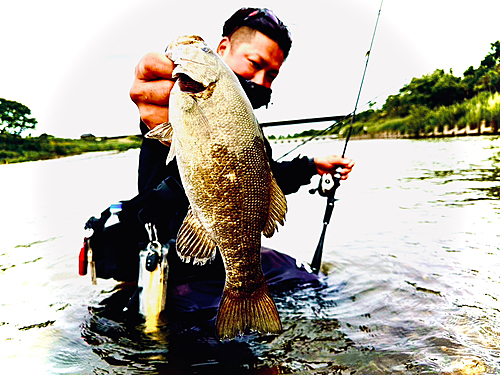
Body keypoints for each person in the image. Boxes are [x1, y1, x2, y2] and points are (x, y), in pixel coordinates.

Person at [126, 7, 355, 315]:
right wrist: (159, 107)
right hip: (180, 262)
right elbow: (154, 117)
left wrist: (313, 165)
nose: (261, 81)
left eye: (271, 75)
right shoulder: (181, 100)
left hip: (226, 252)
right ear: (222, 50)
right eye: (254, 64)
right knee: (228, 351)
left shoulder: (248, 128)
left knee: (314, 283)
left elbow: (262, 180)